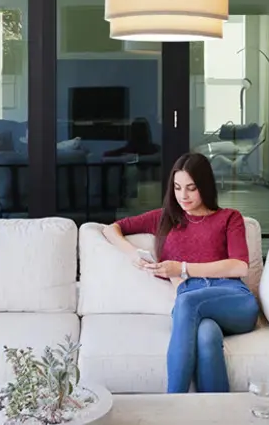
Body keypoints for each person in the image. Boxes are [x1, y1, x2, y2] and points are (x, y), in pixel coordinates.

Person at [101, 152, 258, 393]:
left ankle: (172, 403)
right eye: (177, 188)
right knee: (206, 335)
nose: (183, 195)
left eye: (191, 188)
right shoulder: (164, 218)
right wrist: (133, 253)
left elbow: (239, 266)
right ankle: (217, 411)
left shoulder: (229, 218)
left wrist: (182, 268)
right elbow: (111, 229)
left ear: (205, 186)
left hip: (234, 300)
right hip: (194, 305)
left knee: (185, 301)